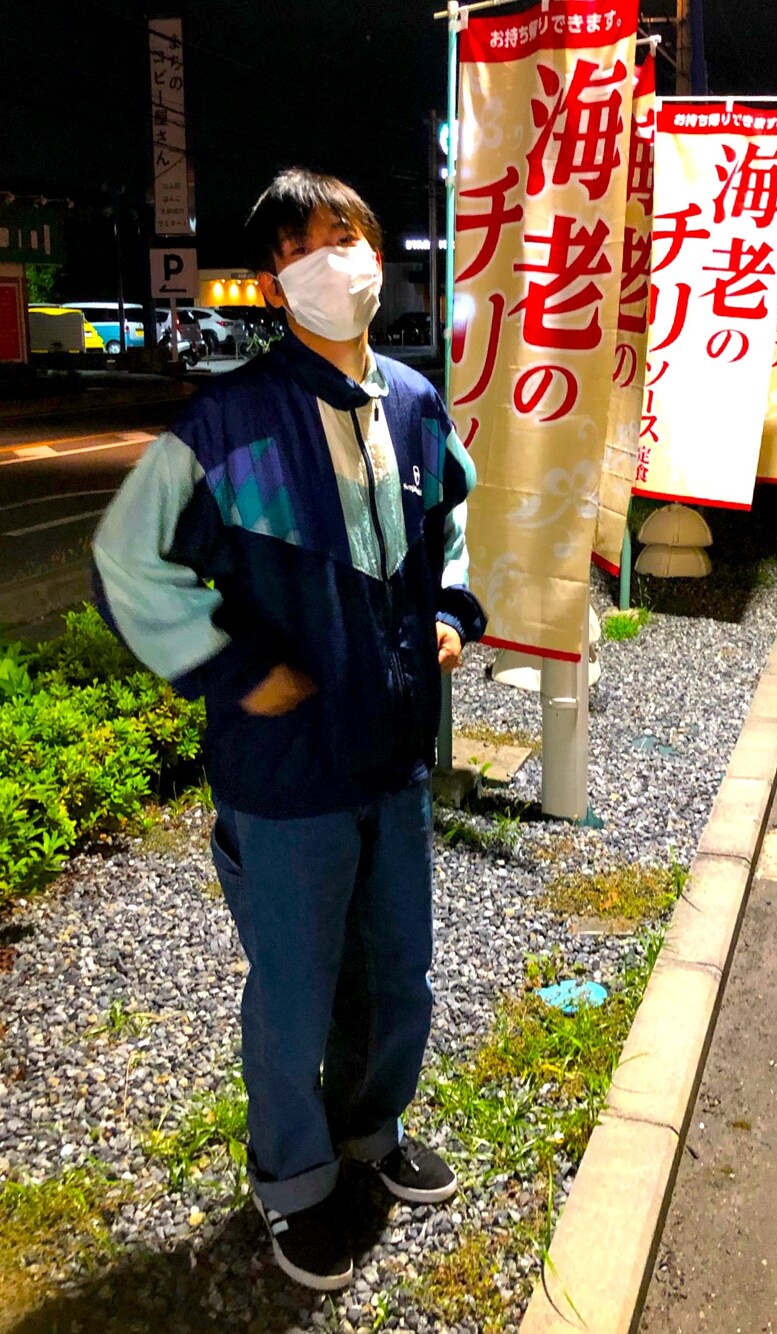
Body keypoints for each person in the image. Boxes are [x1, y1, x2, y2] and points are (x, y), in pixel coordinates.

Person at [92, 167, 486, 1292]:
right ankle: (295, 1179)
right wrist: (230, 668)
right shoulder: (229, 421)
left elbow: (449, 522)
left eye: (349, 237)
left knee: (398, 972)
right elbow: (126, 561)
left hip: (392, 753)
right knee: (295, 991)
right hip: (282, 773)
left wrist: (451, 611)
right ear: (274, 281)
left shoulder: (413, 403)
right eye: (307, 246)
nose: (336, 261)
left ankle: (370, 1131)